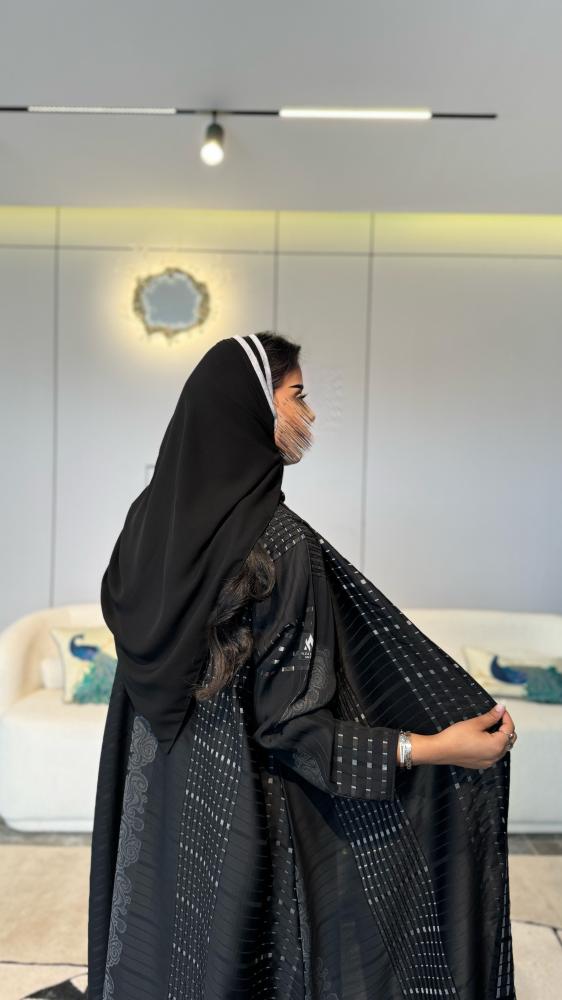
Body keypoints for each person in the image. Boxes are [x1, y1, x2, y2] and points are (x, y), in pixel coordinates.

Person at [87, 332, 517, 1000]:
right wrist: (436, 748)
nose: (310, 415)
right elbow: (291, 730)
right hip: (237, 811)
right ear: (249, 405)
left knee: (162, 956)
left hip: (155, 796)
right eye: (298, 395)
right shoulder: (279, 546)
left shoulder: (147, 523)